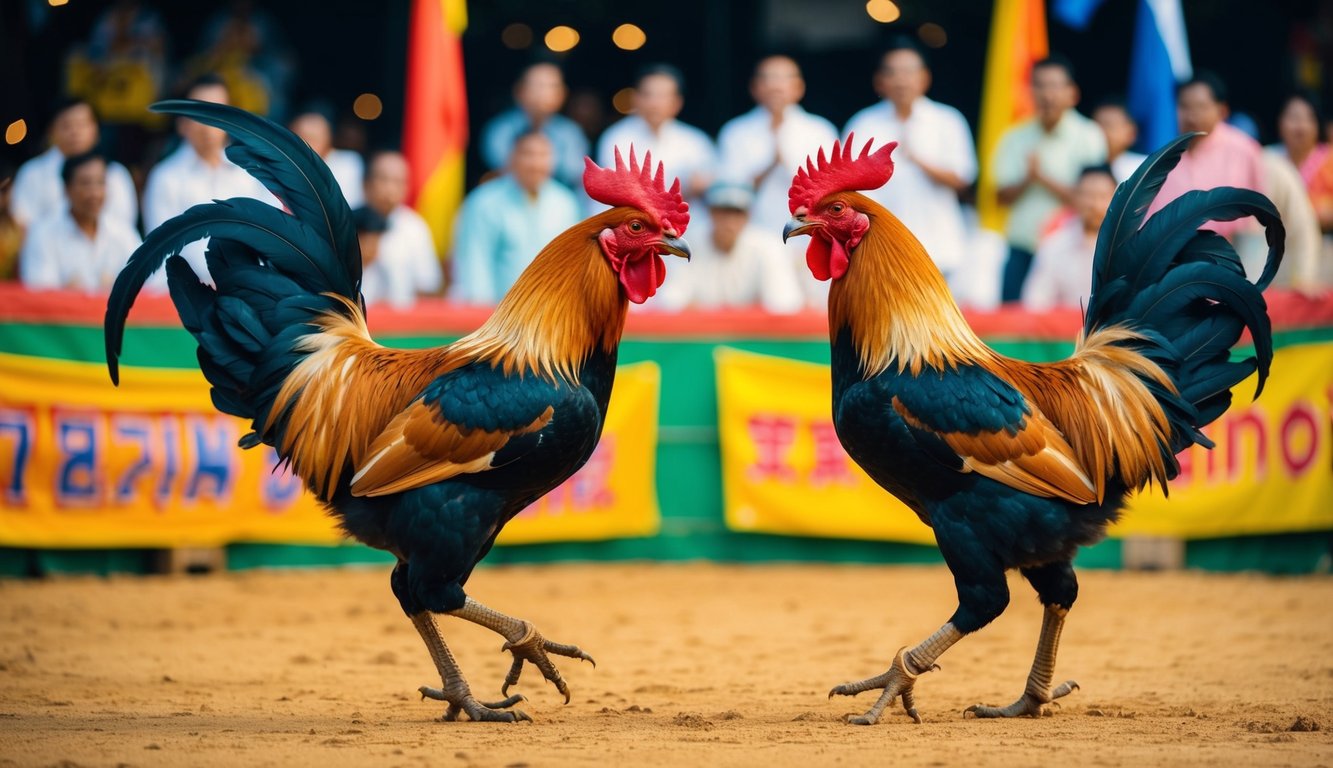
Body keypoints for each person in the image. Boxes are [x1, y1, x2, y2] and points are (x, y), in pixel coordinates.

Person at [843, 38, 976, 290]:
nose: (901, 80)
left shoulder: (947, 120)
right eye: (892, 73)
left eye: (909, 72)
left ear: (924, 78)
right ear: (879, 81)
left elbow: (963, 179)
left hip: (938, 244)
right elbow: (846, 185)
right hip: (879, 247)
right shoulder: (863, 123)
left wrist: (919, 159)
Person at [716, 55, 838, 309]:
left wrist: (789, 165)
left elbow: (831, 192)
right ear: (755, 87)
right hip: (753, 243)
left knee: (817, 313)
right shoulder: (736, 132)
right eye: (768, 78)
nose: (776, 86)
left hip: (809, 240)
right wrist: (770, 164)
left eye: (784, 78)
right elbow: (729, 196)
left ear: (799, 87)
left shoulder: (819, 131)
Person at [142, 75, 278, 287]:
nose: (208, 124)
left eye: (217, 112)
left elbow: (272, 235)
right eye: (200, 113)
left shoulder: (253, 170)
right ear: (182, 122)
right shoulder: (165, 177)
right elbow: (161, 251)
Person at [992, 55, 1107, 303]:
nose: (1047, 94)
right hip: (1023, 245)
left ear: (1072, 93)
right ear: (1030, 91)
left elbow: (1096, 196)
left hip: (1071, 249)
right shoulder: (1014, 136)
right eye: (1040, 85)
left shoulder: (1089, 135)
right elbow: (999, 197)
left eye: (1055, 86)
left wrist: (1041, 177)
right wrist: (1027, 179)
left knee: (1072, 326)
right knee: (1011, 328)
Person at [449, 131, 580, 305]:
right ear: (511, 158)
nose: (536, 163)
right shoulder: (484, 203)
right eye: (528, 154)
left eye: (543, 155)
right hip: (500, 317)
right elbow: (475, 264)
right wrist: (480, 314)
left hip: (553, 314)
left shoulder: (565, 203)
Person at [1147, 72, 1266, 242]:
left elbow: (1259, 216)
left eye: (1201, 107)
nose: (1191, 115)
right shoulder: (1164, 156)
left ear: (1222, 110)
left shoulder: (1244, 151)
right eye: (1184, 106)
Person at [650, 182, 804, 313]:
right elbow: (670, 303)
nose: (730, 221)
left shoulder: (768, 247)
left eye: (737, 212)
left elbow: (784, 306)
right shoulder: (689, 245)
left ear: (748, 216)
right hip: (702, 339)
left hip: (752, 341)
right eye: (723, 211)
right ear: (711, 213)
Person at [596, 64, 715, 220]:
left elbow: (714, 190)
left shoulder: (695, 141)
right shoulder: (616, 138)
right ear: (636, 98)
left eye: (662, 96)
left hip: (687, 230)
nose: (654, 103)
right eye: (648, 95)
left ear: (677, 102)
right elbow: (613, 192)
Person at [19, 152, 141, 292]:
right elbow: (39, 292)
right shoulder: (43, 234)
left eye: (100, 183)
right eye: (86, 183)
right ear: (67, 189)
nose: (95, 193)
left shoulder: (123, 232)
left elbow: (148, 282)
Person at [10, 98, 139, 231]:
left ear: (96, 130)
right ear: (51, 131)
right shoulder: (31, 173)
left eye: (82, 124)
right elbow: (23, 226)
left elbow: (124, 226)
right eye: (67, 125)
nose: (75, 132)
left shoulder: (115, 173)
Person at [480, 62, 589, 191]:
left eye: (552, 86)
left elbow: (574, 173)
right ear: (519, 91)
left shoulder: (571, 133)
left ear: (562, 94)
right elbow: (500, 167)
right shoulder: (499, 130)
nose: (544, 93)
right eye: (538, 86)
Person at [1021, 165, 1116, 310]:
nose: (1095, 205)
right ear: (1075, 197)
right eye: (1088, 196)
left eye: (1103, 196)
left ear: (1117, 199)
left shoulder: (1129, 246)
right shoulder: (1054, 245)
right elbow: (1035, 302)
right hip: (1062, 330)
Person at [362, 150, 442, 303]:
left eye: (398, 182)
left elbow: (428, 285)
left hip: (402, 321)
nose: (390, 189)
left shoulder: (415, 227)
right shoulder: (344, 223)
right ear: (366, 183)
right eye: (383, 179)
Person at [290, 105, 364, 208]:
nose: (306, 144)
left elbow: (348, 208)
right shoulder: (281, 165)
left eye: (312, 138)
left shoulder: (348, 163)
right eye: (299, 138)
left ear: (328, 140)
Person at [1266, 91, 1328, 190]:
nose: (1301, 127)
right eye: (1294, 117)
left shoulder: (1329, 159)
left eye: (1308, 119)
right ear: (1280, 122)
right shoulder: (1267, 158)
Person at [1092, 98, 1146, 183]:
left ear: (1131, 132)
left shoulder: (1144, 167)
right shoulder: (1082, 163)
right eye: (1096, 125)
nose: (1099, 132)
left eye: (1108, 125)